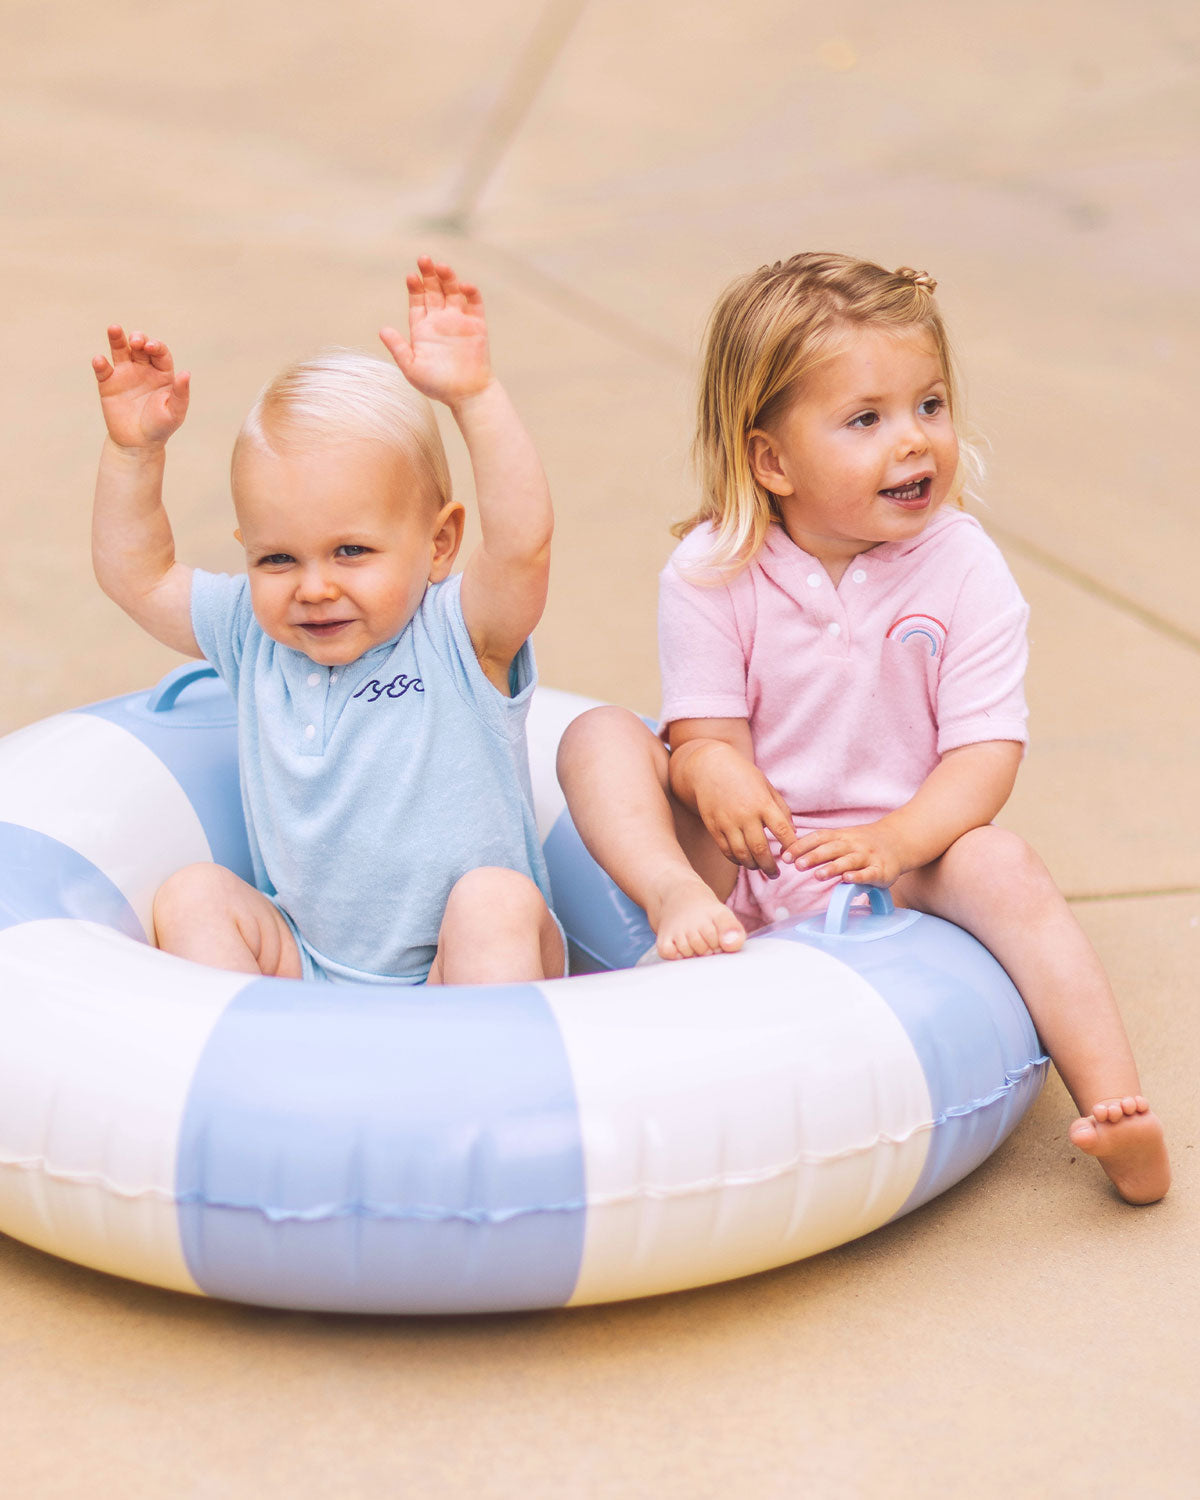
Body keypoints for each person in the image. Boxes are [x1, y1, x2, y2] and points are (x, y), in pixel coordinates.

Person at [557, 251, 1169, 1204]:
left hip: (905, 854)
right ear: (771, 460)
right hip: (749, 853)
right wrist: (716, 778)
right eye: (866, 420)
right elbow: (704, 736)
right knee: (596, 733)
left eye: (930, 405)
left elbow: (984, 753)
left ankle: (1118, 1108)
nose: (913, 443)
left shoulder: (965, 570)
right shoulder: (714, 568)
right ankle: (674, 901)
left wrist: (898, 841)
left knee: (1006, 865)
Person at [92, 256, 564, 987]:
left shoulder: (459, 635)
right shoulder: (252, 635)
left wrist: (474, 398)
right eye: (278, 559)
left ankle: (472, 1085)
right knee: (193, 895)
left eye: (351, 551)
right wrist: (134, 452)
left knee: (493, 902)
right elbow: (139, 575)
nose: (314, 588)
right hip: (314, 974)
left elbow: (523, 545)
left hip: (459, 974)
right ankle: (255, 1065)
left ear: (438, 545)